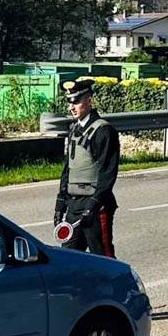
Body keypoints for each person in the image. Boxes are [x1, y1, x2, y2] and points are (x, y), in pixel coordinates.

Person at [54, 78, 120, 257]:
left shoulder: (103, 131)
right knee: (69, 259)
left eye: (76, 101)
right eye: (69, 102)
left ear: (89, 101)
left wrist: (94, 204)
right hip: (74, 206)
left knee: (103, 257)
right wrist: (60, 204)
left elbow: (108, 172)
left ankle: (115, 285)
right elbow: (69, 168)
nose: (72, 107)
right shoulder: (74, 129)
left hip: (96, 207)